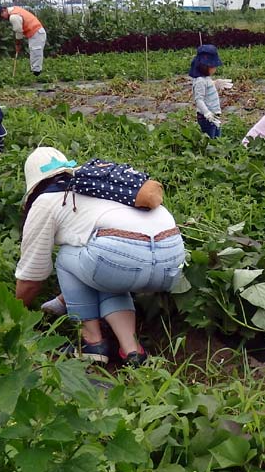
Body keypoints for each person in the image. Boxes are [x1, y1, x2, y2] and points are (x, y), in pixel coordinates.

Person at [14, 147, 186, 367]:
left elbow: (31, 278)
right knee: (105, 266)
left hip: (121, 258)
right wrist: (60, 301)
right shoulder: (100, 186)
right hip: (172, 257)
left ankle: (91, 341)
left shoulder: (45, 201)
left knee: (69, 258)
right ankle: (132, 350)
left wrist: (13, 315)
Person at [189, 44, 230, 139]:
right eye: (213, 66)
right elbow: (198, 99)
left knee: (217, 139)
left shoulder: (206, 78)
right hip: (206, 117)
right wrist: (207, 113)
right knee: (210, 140)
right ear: (205, 66)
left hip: (214, 115)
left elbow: (207, 88)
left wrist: (216, 84)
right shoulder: (200, 81)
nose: (215, 68)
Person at [0, 5, 47, 76]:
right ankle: (35, 72)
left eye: (2, 17)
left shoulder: (13, 17)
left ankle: (36, 74)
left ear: (4, 10)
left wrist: (18, 44)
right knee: (34, 52)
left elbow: (18, 31)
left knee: (36, 53)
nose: (3, 19)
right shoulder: (15, 8)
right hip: (35, 33)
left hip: (36, 32)